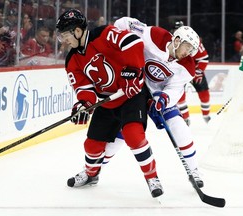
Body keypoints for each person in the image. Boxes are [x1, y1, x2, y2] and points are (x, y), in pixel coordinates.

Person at [56, 9, 163, 198]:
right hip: (107, 100)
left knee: (133, 135)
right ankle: (91, 175)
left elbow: (134, 42)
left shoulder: (103, 34)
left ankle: (152, 177)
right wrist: (83, 106)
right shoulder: (72, 60)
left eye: (65, 35)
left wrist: (133, 71)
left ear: (78, 31)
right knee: (91, 145)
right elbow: (84, 88)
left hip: (131, 94)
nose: (64, 40)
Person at [110, 17, 204, 189]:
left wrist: (164, 99)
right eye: (187, 47)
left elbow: (175, 88)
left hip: (158, 95)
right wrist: (116, 39)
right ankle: (95, 168)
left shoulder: (187, 66)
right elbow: (124, 23)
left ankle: (194, 170)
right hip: (137, 87)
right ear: (177, 40)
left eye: (191, 50)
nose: (188, 53)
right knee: (125, 131)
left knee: (179, 126)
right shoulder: (154, 35)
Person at [173, 21, 211, 125]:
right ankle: (185, 118)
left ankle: (206, 116)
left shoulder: (194, 40)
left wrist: (198, 72)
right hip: (180, 72)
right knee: (179, 95)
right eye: (176, 29)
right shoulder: (171, 40)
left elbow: (204, 58)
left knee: (204, 94)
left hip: (195, 72)